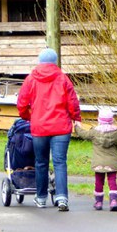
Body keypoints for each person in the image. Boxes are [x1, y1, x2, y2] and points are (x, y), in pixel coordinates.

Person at [17, 48, 81, 212]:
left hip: (40, 127)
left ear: (40, 61)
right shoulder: (63, 79)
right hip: (61, 127)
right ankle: (62, 198)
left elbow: (22, 102)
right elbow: (72, 102)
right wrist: (76, 118)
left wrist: (28, 116)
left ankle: (41, 198)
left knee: (40, 162)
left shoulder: (31, 79)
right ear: (55, 61)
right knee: (60, 162)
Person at [75, 108, 117, 211]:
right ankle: (113, 201)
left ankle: (99, 202)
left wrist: (77, 126)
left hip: (98, 163)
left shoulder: (94, 132)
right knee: (112, 181)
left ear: (99, 120)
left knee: (99, 182)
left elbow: (83, 134)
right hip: (112, 164)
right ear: (112, 120)